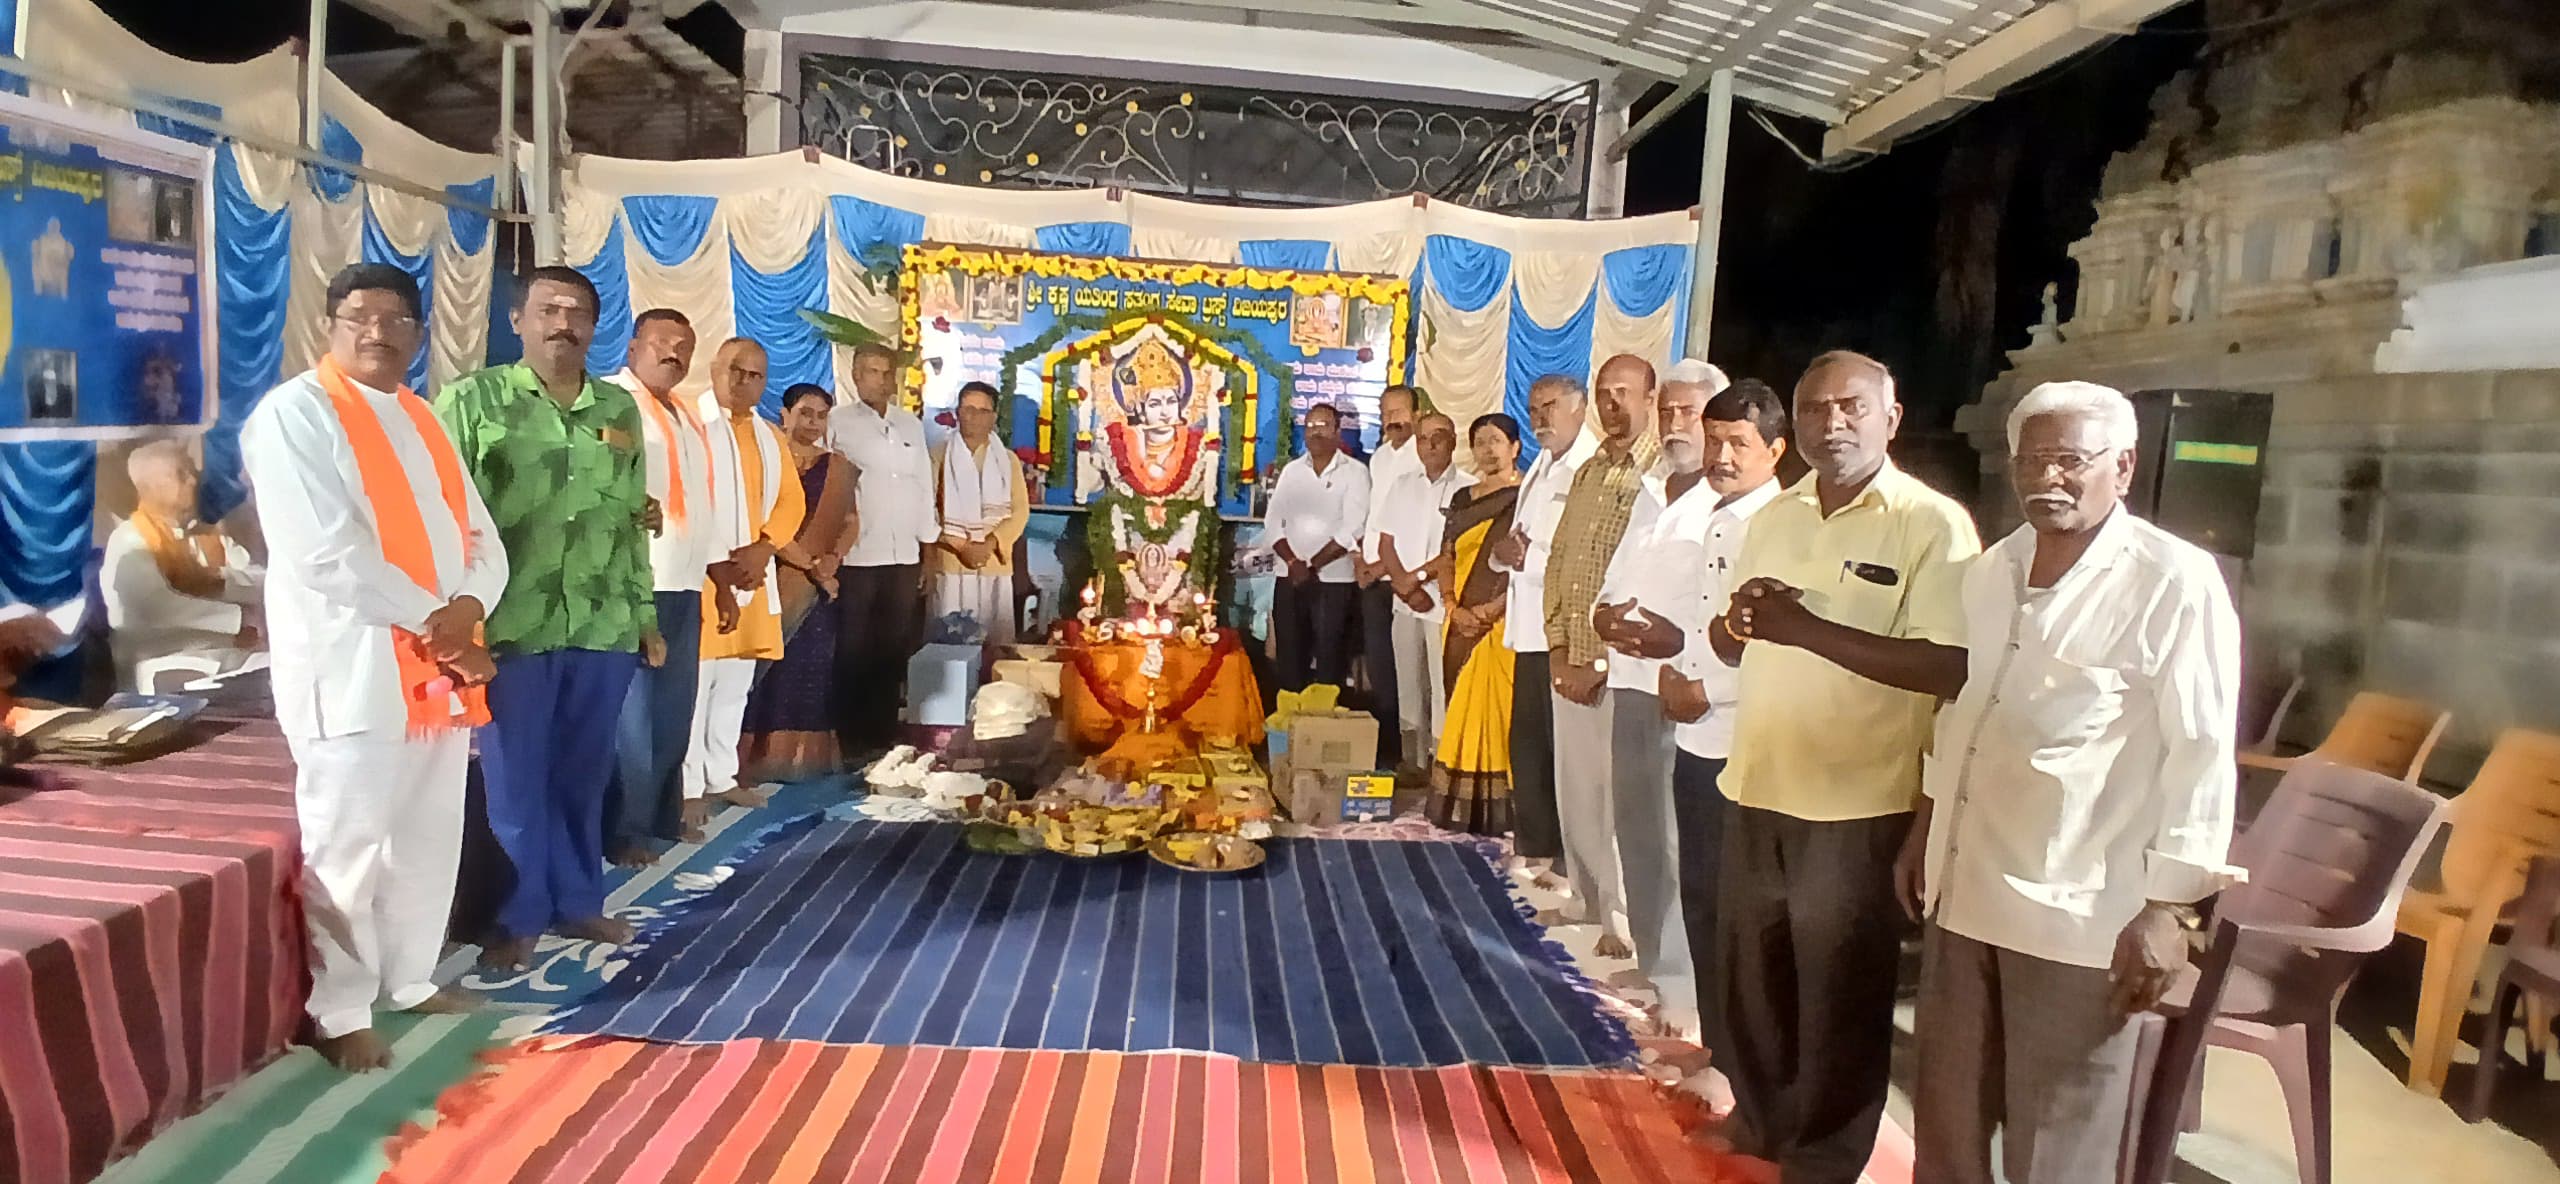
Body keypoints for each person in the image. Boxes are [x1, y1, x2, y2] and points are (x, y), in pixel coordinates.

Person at [1750, 380, 2239, 1183]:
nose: (2048, 477)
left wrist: (2170, 907)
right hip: (1967, 890)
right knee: (1950, 1122)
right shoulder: (1995, 569)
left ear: (2123, 466)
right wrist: (1926, 828)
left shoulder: (2172, 581)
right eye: (2032, 460)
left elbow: (2203, 750)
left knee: (2059, 1144)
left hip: (2079, 914)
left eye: (2071, 460)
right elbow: (1966, 713)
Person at [1706, 350, 1982, 1183]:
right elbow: (1737, 634)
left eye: (1852, 408)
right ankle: (1760, 1121)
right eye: (1815, 409)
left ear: (1890, 419)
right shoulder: (1776, 513)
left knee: (1839, 993)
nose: (1832, 424)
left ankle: (1825, 1156)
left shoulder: (1931, 524)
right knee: (1754, 978)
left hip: (1859, 799)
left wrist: (1806, 631)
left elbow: (1949, 666)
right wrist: (1740, 622)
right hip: (1759, 778)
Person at [240, 262, 505, 1070]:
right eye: (359, 316)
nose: (378, 332)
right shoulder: (294, 415)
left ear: (419, 335)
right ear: (331, 325)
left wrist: (467, 606)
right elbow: (325, 554)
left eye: (396, 320)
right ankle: (341, 1008)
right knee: (347, 847)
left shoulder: (422, 417)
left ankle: (411, 977)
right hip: (353, 669)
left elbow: (481, 537)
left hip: (436, 670)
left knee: (429, 833)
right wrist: (441, 622)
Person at [435, 266, 654, 972]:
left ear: (594, 326)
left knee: (583, 775)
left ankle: (579, 900)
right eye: (548, 309)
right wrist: (455, 622)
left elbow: (633, 519)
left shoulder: (617, 409)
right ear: (517, 321)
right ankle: (517, 913)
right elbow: (443, 517)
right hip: (508, 624)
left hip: (603, 622)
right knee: (515, 779)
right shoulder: (472, 400)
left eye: (577, 312)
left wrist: (645, 616)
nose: (564, 323)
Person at [1603, 377, 1788, 1060]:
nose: (1722, 457)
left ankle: (1735, 1057)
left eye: (1738, 443)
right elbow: (1707, 622)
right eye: (1715, 441)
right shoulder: (1718, 515)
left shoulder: (1778, 523)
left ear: (1775, 450)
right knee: (1703, 893)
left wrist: (1702, 685)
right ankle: (1713, 1042)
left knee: (1734, 903)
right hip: (1697, 726)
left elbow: (1768, 637)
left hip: (1745, 733)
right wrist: (1677, 664)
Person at [1581, 358, 1727, 1033]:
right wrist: (1604, 617)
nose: (1674, 423)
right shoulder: (1651, 491)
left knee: (1676, 843)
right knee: (1636, 830)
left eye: (1688, 412)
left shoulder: (1727, 503)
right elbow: (1615, 581)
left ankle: (1688, 993)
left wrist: (1676, 642)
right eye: (1667, 410)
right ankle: (1655, 962)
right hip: (1631, 681)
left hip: (1685, 691)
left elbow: (1725, 608)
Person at [1541, 355, 1660, 960]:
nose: (1613, 404)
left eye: (1624, 393)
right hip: (1570, 656)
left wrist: (1601, 664)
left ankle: (1622, 919)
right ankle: (1585, 898)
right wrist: (1559, 647)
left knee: (1616, 799)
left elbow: (1650, 578)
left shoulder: (1659, 476)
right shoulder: (1590, 469)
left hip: (1619, 666)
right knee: (1576, 790)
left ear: (1650, 398)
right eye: (1605, 393)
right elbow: (1560, 559)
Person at [689, 339, 822, 812]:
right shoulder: (692, 424)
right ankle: (687, 787)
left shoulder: (768, 435)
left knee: (733, 686)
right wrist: (722, 562)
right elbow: (684, 498)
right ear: (714, 368)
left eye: (755, 375)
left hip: (753, 574)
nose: (743, 381)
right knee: (697, 688)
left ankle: (721, 775)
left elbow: (791, 502)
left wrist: (764, 548)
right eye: (735, 370)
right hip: (703, 575)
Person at [601, 308, 714, 863]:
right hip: (636, 579)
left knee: (675, 709)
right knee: (633, 718)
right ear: (632, 347)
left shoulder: (686, 413)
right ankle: (625, 831)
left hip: (685, 579)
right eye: (662, 342)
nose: (674, 353)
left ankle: (663, 815)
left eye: (684, 346)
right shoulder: (610, 402)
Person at [1491, 374, 1599, 879]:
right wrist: (1504, 555)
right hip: (1529, 624)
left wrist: (1524, 557)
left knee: (1564, 751)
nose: (1540, 418)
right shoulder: (1543, 463)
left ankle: (1568, 859)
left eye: (1550, 407)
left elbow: (1587, 554)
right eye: (1534, 409)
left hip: (1566, 630)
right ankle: (1535, 844)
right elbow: (1517, 541)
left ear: (1580, 408)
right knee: (1530, 742)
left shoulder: (1590, 468)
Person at [739, 384, 858, 783]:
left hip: (818, 587)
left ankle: (802, 760)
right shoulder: (765, 459)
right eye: (805, 413)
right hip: (769, 577)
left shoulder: (838, 467)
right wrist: (810, 565)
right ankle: (753, 758)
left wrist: (833, 559)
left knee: (810, 668)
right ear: (785, 414)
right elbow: (761, 520)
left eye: (821, 416)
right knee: (768, 668)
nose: (813, 423)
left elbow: (850, 521)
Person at [828, 342, 935, 758]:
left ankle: (883, 737)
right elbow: (829, 490)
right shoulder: (837, 423)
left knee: (893, 649)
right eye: (872, 371)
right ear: (856, 376)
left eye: (887, 372)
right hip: (857, 556)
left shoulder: (909, 425)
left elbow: (923, 489)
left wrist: (928, 555)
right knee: (854, 649)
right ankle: (849, 739)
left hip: (904, 556)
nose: (881, 380)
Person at [1422, 413, 1524, 834]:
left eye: (1496, 441)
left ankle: (1500, 810)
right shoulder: (1463, 498)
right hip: (1458, 618)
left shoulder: (1524, 497)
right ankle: (1459, 806)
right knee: (1459, 707)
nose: (1488, 450)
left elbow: (1527, 562)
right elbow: (1447, 555)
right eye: (1480, 442)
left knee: (1497, 713)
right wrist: (1451, 604)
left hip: (1500, 624)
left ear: (1515, 447)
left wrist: (1490, 610)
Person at [101, 440, 266, 689]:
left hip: (233, 659)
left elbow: (261, 580)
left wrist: (219, 578)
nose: (193, 480)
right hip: (168, 668)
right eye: (181, 474)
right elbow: (152, 608)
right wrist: (238, 618)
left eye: (192, 471)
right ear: (149, 488)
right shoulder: (129, 540)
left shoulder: (206, 532)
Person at [1375, 411, 1467, 767]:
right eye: (1423, 438)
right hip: (1404, 603)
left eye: (1438, 437)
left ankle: (1441, 761)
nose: (1430, 445)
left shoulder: (1468, 488)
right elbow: (1385, 542)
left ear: (1453, 441)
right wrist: (1403, 585)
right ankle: (1412, 761)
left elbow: (1455, 551)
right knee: (1409, 685)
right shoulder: (1402, 484)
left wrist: (1416, 579)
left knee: (1442, 687)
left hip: (1444, 606)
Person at [1265, 403, 1370, 691]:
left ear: (1338, 431)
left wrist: (1311, 566)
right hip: (1289, 578)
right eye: (1310, 426)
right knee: (1289, 659)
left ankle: (1324, 718)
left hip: (1333, 581)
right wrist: (1293, 563)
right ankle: (1291, 715)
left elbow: (1354, 527)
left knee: (1330, 661)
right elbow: (1273, 522)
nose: (1316, 432)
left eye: (1323, 425)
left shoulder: (1355, 472)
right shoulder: (1292, 471)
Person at [929, 381, 1029, 642]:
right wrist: (961, 546)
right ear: (958, 413)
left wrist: (990, 543)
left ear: (993, 417)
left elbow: (1019, 511)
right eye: (968, 409)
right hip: (952, 561)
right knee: (949, 642)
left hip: (994, 562)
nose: (974, 417)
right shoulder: (939, 454)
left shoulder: (1007, 460)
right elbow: (926, 510)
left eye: (983, 411)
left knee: (994, 643)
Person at [1355, 384, 1422, 769]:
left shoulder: (1422, 456)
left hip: (1401, 578)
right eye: (1385, 413)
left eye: (1399, 412)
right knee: (1379, 667)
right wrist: (1361, 561)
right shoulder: (1380, 458)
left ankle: (1408, 753)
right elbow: (1375, 516)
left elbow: (1410, 526)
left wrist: (1381, 567)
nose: (1391, 420)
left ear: (1416, 414)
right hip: (1371, 579)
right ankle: (1384, 749)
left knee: (1405, 670)